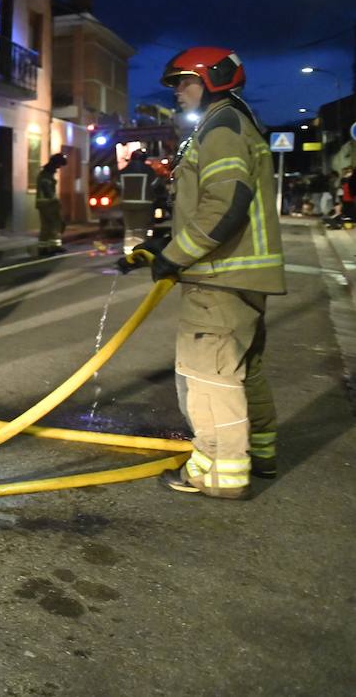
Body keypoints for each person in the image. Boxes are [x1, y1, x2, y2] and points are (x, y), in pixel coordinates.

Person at [119, 47, 283, 499]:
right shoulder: (231, 125)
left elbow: (224, 203)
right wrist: (160, 246)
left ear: (214, 81)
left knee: (209, 378)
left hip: (219, 275)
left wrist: (177, 256)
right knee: (243, 371)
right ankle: (261, 453)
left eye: (185, 82)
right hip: (241, 275)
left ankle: (219, 474)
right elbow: (211, 205)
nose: (177, 92)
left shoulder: (222, 128)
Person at [118, 149, 157, 250]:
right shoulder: (149, 171)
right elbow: (156, 186)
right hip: (144, 205)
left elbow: (117, 186)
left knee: (129, 228)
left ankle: (128, 249)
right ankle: (138, 250)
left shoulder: (123, 172)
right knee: (140, 228)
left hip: (126, 205)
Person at [36, 152, 69, 255]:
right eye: (59, 165)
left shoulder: (45, 173)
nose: (59, 168)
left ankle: (44, 247)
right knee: (55, 224)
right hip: (49, 204)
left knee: (46, 226)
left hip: (43, 204)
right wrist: (55, 201)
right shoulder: (46, 175)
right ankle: (53, 246)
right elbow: (48, 190)